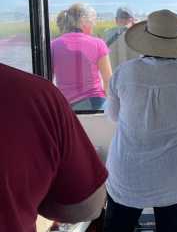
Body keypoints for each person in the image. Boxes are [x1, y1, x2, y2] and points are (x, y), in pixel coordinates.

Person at [103, 10, 177, 232]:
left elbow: (113, 116)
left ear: (145, 40)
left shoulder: (123, 72)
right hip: (173, 174)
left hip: (127, 171)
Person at [0, 63, 108, 231]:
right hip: (93, 100)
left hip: (72, 101)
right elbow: (88, 207)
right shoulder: (36, 95)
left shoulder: (56, 48)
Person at [51, 3, 112, 111]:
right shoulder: (98, 43)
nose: (93, 26)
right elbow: (108, 80)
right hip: (96, 103)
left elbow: (48, 81)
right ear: (84, 22)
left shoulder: (53, 45)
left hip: (66, 106)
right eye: (92, 22)